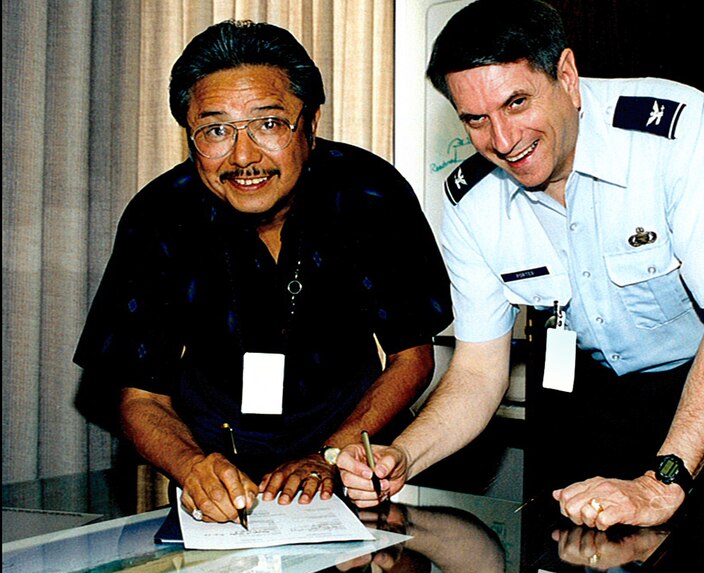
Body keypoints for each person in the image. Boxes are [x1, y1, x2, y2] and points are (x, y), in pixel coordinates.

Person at [339, 0, 704, 534]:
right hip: (599, 403)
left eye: (517, 103)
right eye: (476, 120)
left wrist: (662, 479)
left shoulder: (678, 132)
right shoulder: (471, 201)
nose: (503, 141)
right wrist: (404, 457)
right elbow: (480, 371)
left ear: (567, 76)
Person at [73, 20, 452, 526]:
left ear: (311, 122)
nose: (244, 156)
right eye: (215, 131)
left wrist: (330, 455)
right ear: (189, 135)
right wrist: (193, 466)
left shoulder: (371, 195)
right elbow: (139, 397)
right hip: (215, 473)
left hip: (354, 461)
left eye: (268, 124)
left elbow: (411, 357)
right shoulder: (160, 215)